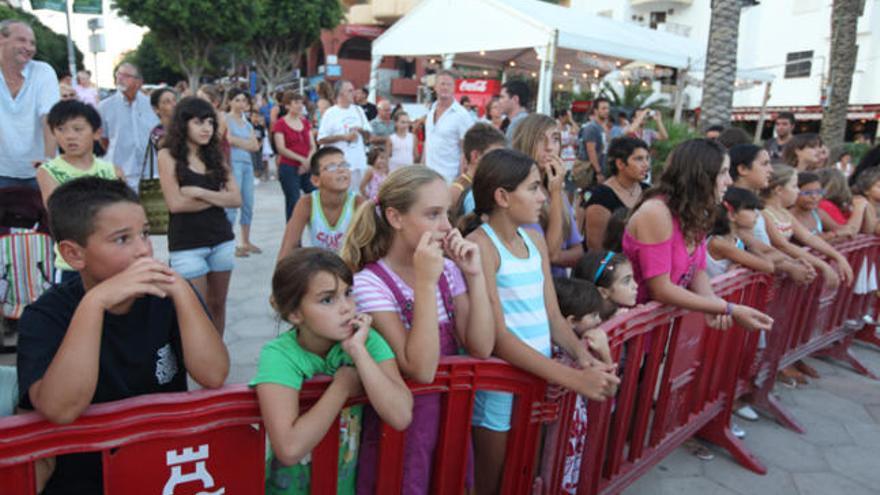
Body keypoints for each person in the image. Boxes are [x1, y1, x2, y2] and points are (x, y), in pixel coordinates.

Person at [16, 177, 229, 494]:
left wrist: (182, 291)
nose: (143, 249)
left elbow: (213, 374)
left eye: (144, 233)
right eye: (121, 240)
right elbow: (61, 409)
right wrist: (94, 304)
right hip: (85, 479)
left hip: (166, 470)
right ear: (74, 255)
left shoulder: (167, 297)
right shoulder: (45, 316)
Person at [461, 148, 618, 494]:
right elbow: (499, 338)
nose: (543, 196)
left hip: (537, 379)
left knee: (524, 472)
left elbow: (552, 317)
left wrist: (582, 355)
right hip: (500, 386)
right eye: (533, 188)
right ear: (502, 196)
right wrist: (574, 379)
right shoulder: (480, 245)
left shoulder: (532, 238)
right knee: (493, 483)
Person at [341, 166, 494, 494]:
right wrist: (425, 283)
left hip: (451, 420)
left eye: (448, 213)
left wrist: (475, 275)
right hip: (402, 431)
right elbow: (420, 369)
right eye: (433, 214)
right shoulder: (369, 284)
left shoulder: (449, 271)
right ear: (396, 218)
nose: (446, 226)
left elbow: (480, 345)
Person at [252, 248, 412, 495]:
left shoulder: (366, 340)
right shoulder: (279, 355)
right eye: (328, 300)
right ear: (295, 313)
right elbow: (289, 448)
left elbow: (401, 415)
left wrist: (358, 352)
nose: (347, 308)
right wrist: (341, 388)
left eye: (348, 293)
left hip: (346, 486)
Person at [623, 138, 774, 330]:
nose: (729, 180)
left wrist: (713, 305)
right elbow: (661, 288)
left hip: (662, 329)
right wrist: (727, 308)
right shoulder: (656, 212)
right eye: (723, 173)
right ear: (701, 176)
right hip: (633, 331)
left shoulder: (696, 211)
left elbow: (697, 271)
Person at [157, 96, 241, 336]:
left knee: (218, 304)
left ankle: (216, 357)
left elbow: (236, 199)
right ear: (183, 124)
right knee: (194, 308)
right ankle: (196, 360)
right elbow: (176, 204)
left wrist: (199, 192)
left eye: (210, 123)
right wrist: (217, 197)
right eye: (198, 122)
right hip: (187, 244)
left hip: (221, 239)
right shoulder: (168, 156)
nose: (206, 128)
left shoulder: (214, 155)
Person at [36, 100, 124, 283]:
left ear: (96, 132)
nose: (69, 136)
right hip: (72, 264)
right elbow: (60, 214)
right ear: (53, 132)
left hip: (113, 260)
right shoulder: (48, 171)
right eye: (61, 129)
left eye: (78, 129)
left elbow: (125, 215)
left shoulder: (112, 171)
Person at [546, 276, 615, 494]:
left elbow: (609, 389)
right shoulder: (564, 355)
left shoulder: (581, 352)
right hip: (558, 437)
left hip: (571, 434)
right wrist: (604, 352)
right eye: (593, 315)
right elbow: (610, 388)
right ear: (571, 321)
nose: (598, 321)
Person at [727, 144, 817, 286]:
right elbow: (764, 253)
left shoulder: (755, 207)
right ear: (743, 169)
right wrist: (791, 266)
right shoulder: (732, 208)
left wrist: (794, 262)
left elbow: (770, 248)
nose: (770, 170)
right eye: (764, 164)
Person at [760, 164, 853, 289]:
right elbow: (784, 245)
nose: (798, 191)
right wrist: (823, 266)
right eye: (794, 186)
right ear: (779, 190)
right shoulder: (764, 213)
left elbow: (808, 237)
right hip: (769, 276)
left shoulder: (784, 212)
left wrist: (838, 256)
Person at [512, 114, 583, 276]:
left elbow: (578, 251)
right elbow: (550, 253)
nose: (549, 147)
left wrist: (557, 256)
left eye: (555, 139)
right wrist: (556, 192)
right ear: (526, 142)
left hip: (559, 284)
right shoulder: (518, 190)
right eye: (540, 139)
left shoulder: (554, 187)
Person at [0, 20, 59, 189]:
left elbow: (50, 119)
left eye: (32, 43)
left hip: (40, 171)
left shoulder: (43, 72)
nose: (29, 47)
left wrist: (49, 164)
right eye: (22, 40)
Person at [276, 146, 364, 258]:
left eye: (344, 165)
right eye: (331, 167)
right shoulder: (307, 203)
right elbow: (288, 247)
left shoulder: (358, 203)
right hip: (320, 267)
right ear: (315, 180)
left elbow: (370, 249)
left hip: (350, 268)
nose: (341, 170)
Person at [579, 137, 650, 252]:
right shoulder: (601, 196)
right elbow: (596, 247)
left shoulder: (648, 191)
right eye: (638, 159)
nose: (646, 165)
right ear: (620, 164)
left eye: (647, 158)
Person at [96, 63, 159, 192]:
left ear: (139, 82)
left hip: (150, 173)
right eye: (118, 74)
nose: (120, 78)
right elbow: (104, 140)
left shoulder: (151, 105)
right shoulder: (104, 107)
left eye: (126, 75)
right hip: (120, 174)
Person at [224, 88, 262, 257]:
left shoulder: (247, 123)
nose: (241, 104)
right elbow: (228, 139)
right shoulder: (226, 119)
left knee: (248, 203)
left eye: (243, 101)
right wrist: (245, 143)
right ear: (230, 101)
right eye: (237, 100)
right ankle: (228, 243)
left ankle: (245, 241)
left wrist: (240, 143)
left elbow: (256, 146)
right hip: (233, 164)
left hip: (247, 165)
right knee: (233, 203)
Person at [706, 188, 775, 279]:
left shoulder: (736, 239)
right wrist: (750, 247)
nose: (756, 215)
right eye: (751, 209)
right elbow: (768, 266)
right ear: (732, 215)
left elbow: (771, 253)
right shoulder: (718, 243)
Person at [317, 80, 372, 190]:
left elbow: (368, 136)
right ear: (340, 93)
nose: (354, 93)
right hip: (339, 166)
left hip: (358, 164)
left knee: (358, 199)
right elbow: (321, 139)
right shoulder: (330, 113)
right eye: (350, 91)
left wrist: (361, 131)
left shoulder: (358, 110)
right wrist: (343, 137)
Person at [424, 70, 475, 183]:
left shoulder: (462, 115)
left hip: (449, 179)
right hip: (428, 177)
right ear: (435, 87)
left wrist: (461, 181)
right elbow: (428, 143)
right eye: (442, 84)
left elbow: (466, 150)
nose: (445, 87)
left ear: (454, 88)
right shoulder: (431, 110)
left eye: (449, 84)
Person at [273, 91, 316, 221]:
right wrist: (301, 159)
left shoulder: (305, 122)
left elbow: (312, 146)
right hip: (288, 168)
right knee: (293, 201)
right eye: (296, 102)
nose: (299, 105)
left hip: (306, 167)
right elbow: (281, 148)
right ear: (287, 106)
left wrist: (307, 161)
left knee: (315, 196)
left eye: (301, 102)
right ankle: (293, 238)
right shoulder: (280, 124)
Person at [449, 123, 506, 220]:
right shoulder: (458, 191)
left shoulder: (484, 185)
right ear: (475, 156)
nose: (501, 161)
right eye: (495, 155)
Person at [573, 251, 639, 315]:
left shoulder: (621, 312)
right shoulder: (589, 324)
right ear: (603, 292)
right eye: (626, 281)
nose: (636, 285)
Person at [816, 167, 872, 236]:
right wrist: (859, 208)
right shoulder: (824, 204)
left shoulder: (842, 204)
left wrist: (867, 207)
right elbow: (849, 232)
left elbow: (868, 231)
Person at [791, 171, 843, 241]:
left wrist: (833, 235)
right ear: (794, 192)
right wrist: (832, 235)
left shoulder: (818, 213)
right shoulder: (789, 215)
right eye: (807, 193)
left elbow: (844, 230)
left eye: (818, 192)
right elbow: (806, 241)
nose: (814, 196)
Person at [578, 97, 611, 183]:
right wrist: (598, 172)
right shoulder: (591, 127)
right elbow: (591, 151)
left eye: (608, 108)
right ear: (596, 111)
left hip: (602, 168)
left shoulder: (603, 127)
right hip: (591, 171)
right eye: (603, 108)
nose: (607, 111)